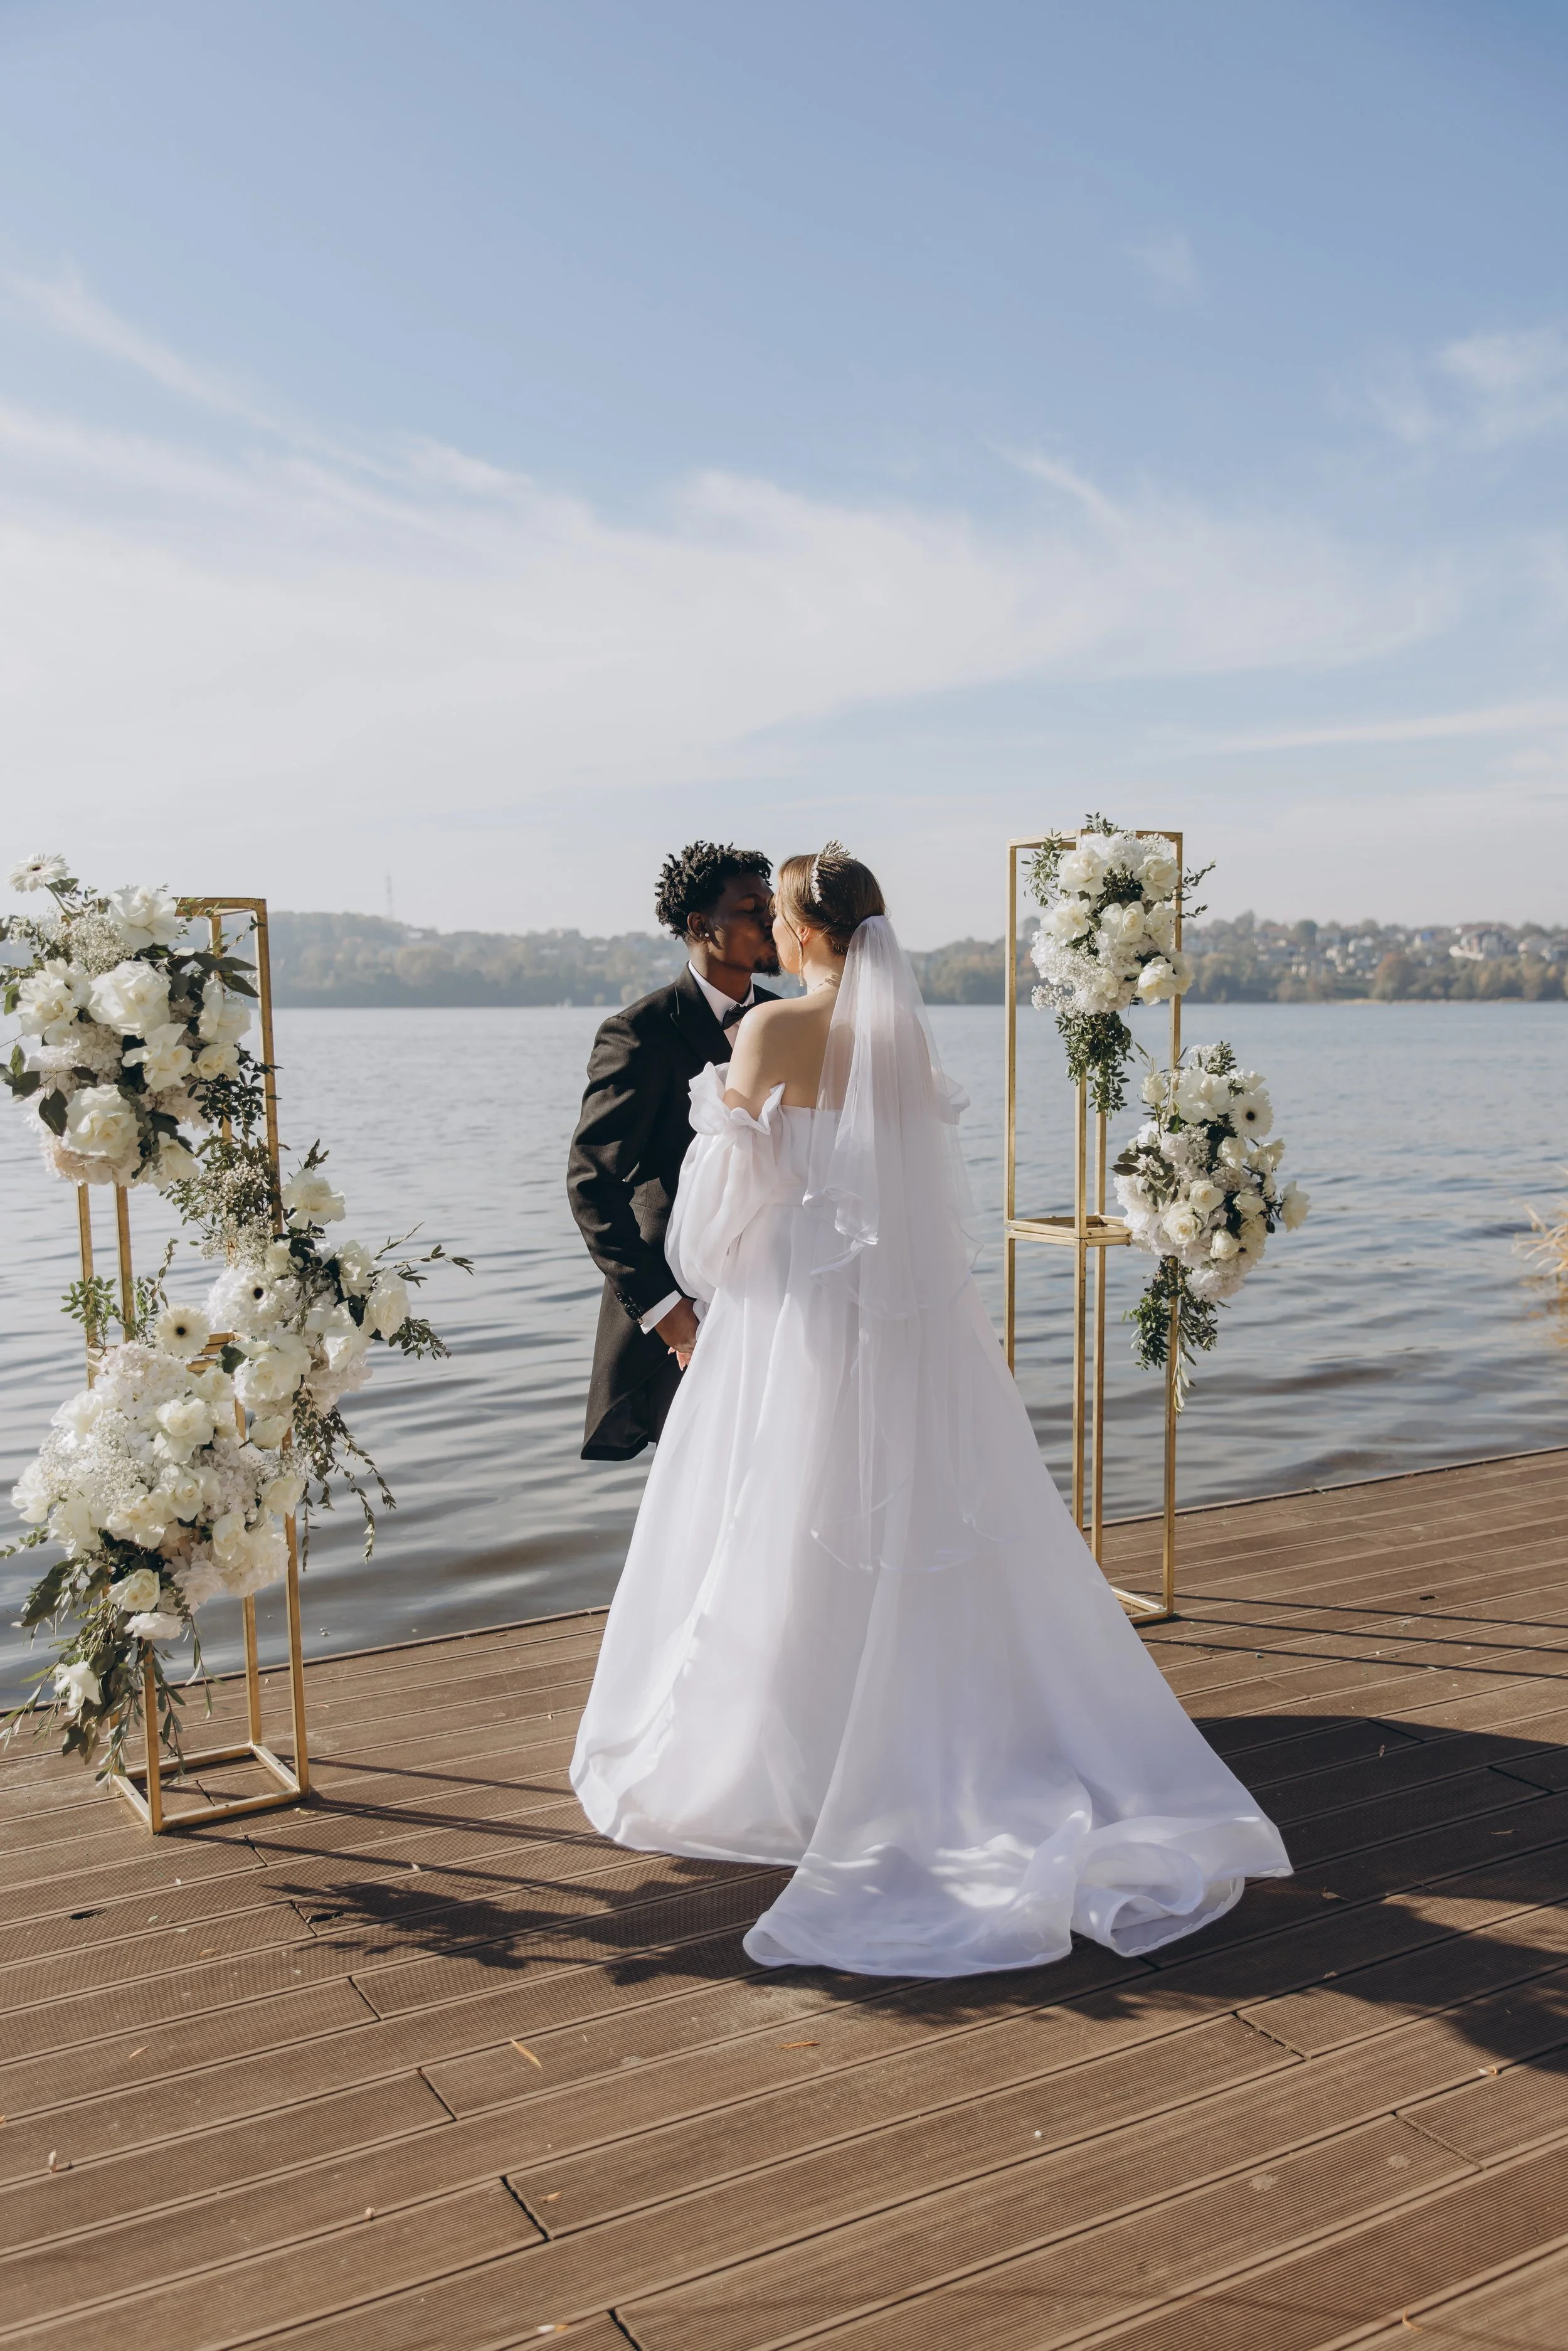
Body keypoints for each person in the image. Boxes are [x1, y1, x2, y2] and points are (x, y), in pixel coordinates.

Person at [571, 843, 1290, 1978]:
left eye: (779, 914)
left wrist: (720, 1261)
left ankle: (794, 1747)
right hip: (907, 1320)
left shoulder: (769, 1034)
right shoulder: (898, 1035)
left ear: (804, 931)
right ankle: (938, 1726)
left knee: (782, 1504)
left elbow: (710, 1228)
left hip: (793, 1313)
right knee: (905, 1505)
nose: (769, 928)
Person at [567, 842, 780, 1461]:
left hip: (778, 1296)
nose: (771, 922)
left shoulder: (787, 1021)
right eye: (752, 909)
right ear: (699, 926)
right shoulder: (640, 1033)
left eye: (770, 908)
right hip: (686, 1310)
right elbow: (591, 1185)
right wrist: (667, 1312)